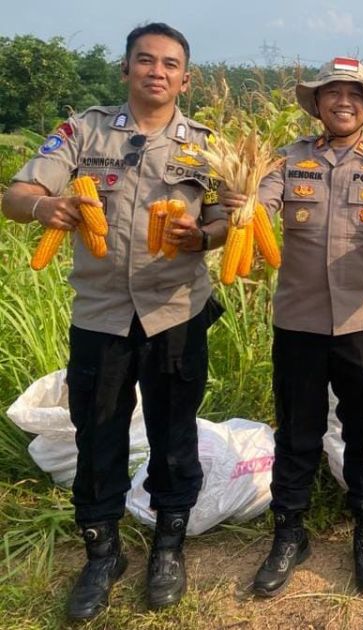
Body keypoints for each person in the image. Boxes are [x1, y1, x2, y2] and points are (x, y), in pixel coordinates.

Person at [1, 22, 226, 620]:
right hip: (100, 314)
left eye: (170, 63)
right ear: (126, 70)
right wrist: (44, 204)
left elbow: (233, 215)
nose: (157, 71)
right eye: (145, 61)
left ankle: (168, 545)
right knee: (97, 433)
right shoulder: (83, 131)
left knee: (174, 432)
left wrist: (202, 236)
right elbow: (17, 192)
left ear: (185, 77)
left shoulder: (206, 144)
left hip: (175, 311)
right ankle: (102, 552)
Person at [221, 57, 363, 597]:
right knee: (297, 432)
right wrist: (241, 205)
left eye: (355, 95)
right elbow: (260, 206)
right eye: (332, 93)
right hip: (300, 321)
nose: (344, 102)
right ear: (316, 103)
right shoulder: (288, 161)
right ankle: (289, 532)